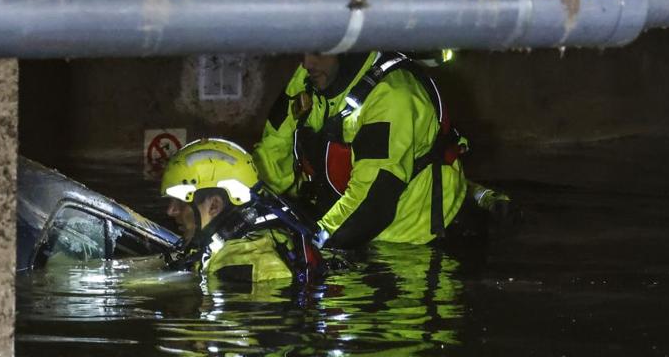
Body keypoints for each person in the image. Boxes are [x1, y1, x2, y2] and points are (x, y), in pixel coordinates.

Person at [254, 51, 484, 249]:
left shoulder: (394, 96)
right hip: (345, 225)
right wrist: (249, 211)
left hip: (414, 243)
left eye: (317, 51)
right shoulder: (310, 77)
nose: (306, 63)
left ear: (348, 51)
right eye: (302, 51)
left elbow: (372, 200)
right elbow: (273, 150)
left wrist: (309, 243)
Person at [159, 138, 324, 285]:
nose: (170, 211)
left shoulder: (245, 265)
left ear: (214, 205)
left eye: (181, 201)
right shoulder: (229, 245)